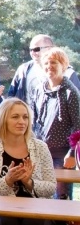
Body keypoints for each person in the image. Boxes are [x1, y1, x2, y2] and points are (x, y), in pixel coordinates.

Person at [31, 47, 80, 199]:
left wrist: (71, 154)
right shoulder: (39, 90)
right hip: (40, 153)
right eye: (46, 63)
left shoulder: (71, 92)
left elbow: (78, 126)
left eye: (54, 62)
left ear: (63, 65)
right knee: (41, 195)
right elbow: (33, 121)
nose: (49, 66)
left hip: (62, 155)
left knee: (62, 197)